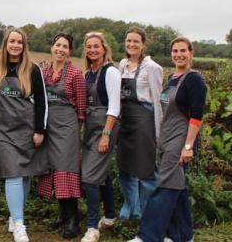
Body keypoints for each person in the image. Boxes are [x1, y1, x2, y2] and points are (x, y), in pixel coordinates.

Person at [129, 37, 207, 242]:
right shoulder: (172, 78)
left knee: (164, 187)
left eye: (183, 51)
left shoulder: (194, 80)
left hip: (180, 141)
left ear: (191, 53)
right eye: (175, 51)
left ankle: (147, 236)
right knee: (177, 188)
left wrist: (188, 146)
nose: (178, 54)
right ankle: (182, 236)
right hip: (166, 140)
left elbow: (196, 117)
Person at [0, 27, 48, 242]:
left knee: (24, 173)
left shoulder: (32, 69)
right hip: (3, 129)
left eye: (19, 42)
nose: (15, 45)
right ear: (5, 44)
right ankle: (20, 224)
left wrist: (40, 129)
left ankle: (15, 217)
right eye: (12, 41)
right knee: (12, 173)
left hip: (26, 128)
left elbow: (42, 101)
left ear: (24, 46)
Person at [36, 32, 86, 239]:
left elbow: (81, 110)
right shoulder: (44, 71)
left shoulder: (75, 74)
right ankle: (63, 214)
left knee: (66, 171)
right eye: (58, 45)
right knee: (54, 170)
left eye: (65, 47)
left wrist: (75, 134)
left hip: (67, 129)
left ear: (69, 51)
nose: (60, 49)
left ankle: (74, 219)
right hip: (49, 128)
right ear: (52, 47)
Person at [117, 27, 163, 221]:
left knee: (146, 170)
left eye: (136, 41)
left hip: (144, 120)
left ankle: (149, 214)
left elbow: (158, 102)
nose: (131, 44)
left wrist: (158, 133)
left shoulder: (152, 68)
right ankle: (131, 208)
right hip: (125, 121)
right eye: (129, 41)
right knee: (125, 168)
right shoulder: (121, 65)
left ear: (143, 44)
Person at [80, 32, 121, 242]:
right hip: (90, 127)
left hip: (106, 126)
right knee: (100, 174)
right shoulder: (88, 73)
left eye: (96, 46)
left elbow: (114, 105)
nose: (92, 50)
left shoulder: (110, 72)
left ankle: (92, 227)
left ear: (104, 49)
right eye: (89, 47)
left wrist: (106, 134)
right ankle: (111, 216)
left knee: (89, 177)